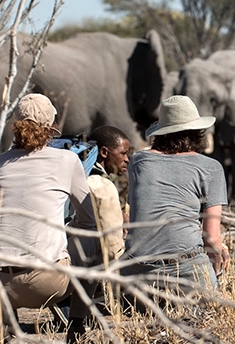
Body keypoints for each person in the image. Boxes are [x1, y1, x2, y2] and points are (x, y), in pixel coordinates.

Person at [0, 93, 96, 331]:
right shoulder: (67, 160)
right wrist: (65, 234)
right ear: (51, 127)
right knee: (93, 243)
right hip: (44, 285)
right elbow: (88, 221)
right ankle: (77, 323)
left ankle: (8, 326)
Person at [121, 95, 230, 296]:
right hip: (186, 270)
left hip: (137, 273)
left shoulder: (139, 161)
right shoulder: (211, 168)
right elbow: (212, 238)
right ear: (198, 132)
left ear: (160, 133)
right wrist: (214, 269)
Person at [65, 125, 131, 341]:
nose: (126, 160)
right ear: (104, 152)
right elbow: (113, 250)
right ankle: (76, 319)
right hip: (70, 269)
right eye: (122, 153)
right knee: (96, 250)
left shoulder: (77, 177)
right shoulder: (101, 186)